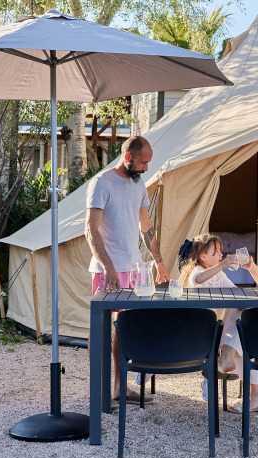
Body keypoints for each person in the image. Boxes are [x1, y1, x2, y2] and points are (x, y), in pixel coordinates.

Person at [85, 135, 170, 405]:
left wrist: (159, 261)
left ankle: (120, 388)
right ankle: (99, 389)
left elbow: (146, 227)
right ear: (128, 157)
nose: (146, 168)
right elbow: (90, 229)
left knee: (126, 329)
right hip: (106, 270)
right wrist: (108, 266)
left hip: (134, 271)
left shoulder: (139, 185)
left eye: (148, 163)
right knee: (99, 329)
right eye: (143, 162)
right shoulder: (101, 183)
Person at [178, 234, 258, 412]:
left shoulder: (219, 275)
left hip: (219, 331)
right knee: (239, 323)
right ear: (202, 256)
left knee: (243, 323)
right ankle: (228, 361)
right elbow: (199, 280)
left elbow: (235, 291)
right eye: (216, 252)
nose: (221, 254)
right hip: (201, 332)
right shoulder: (196, 272)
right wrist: (223, 265)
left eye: (220, 251)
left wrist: (245, 303)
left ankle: (228, 359)